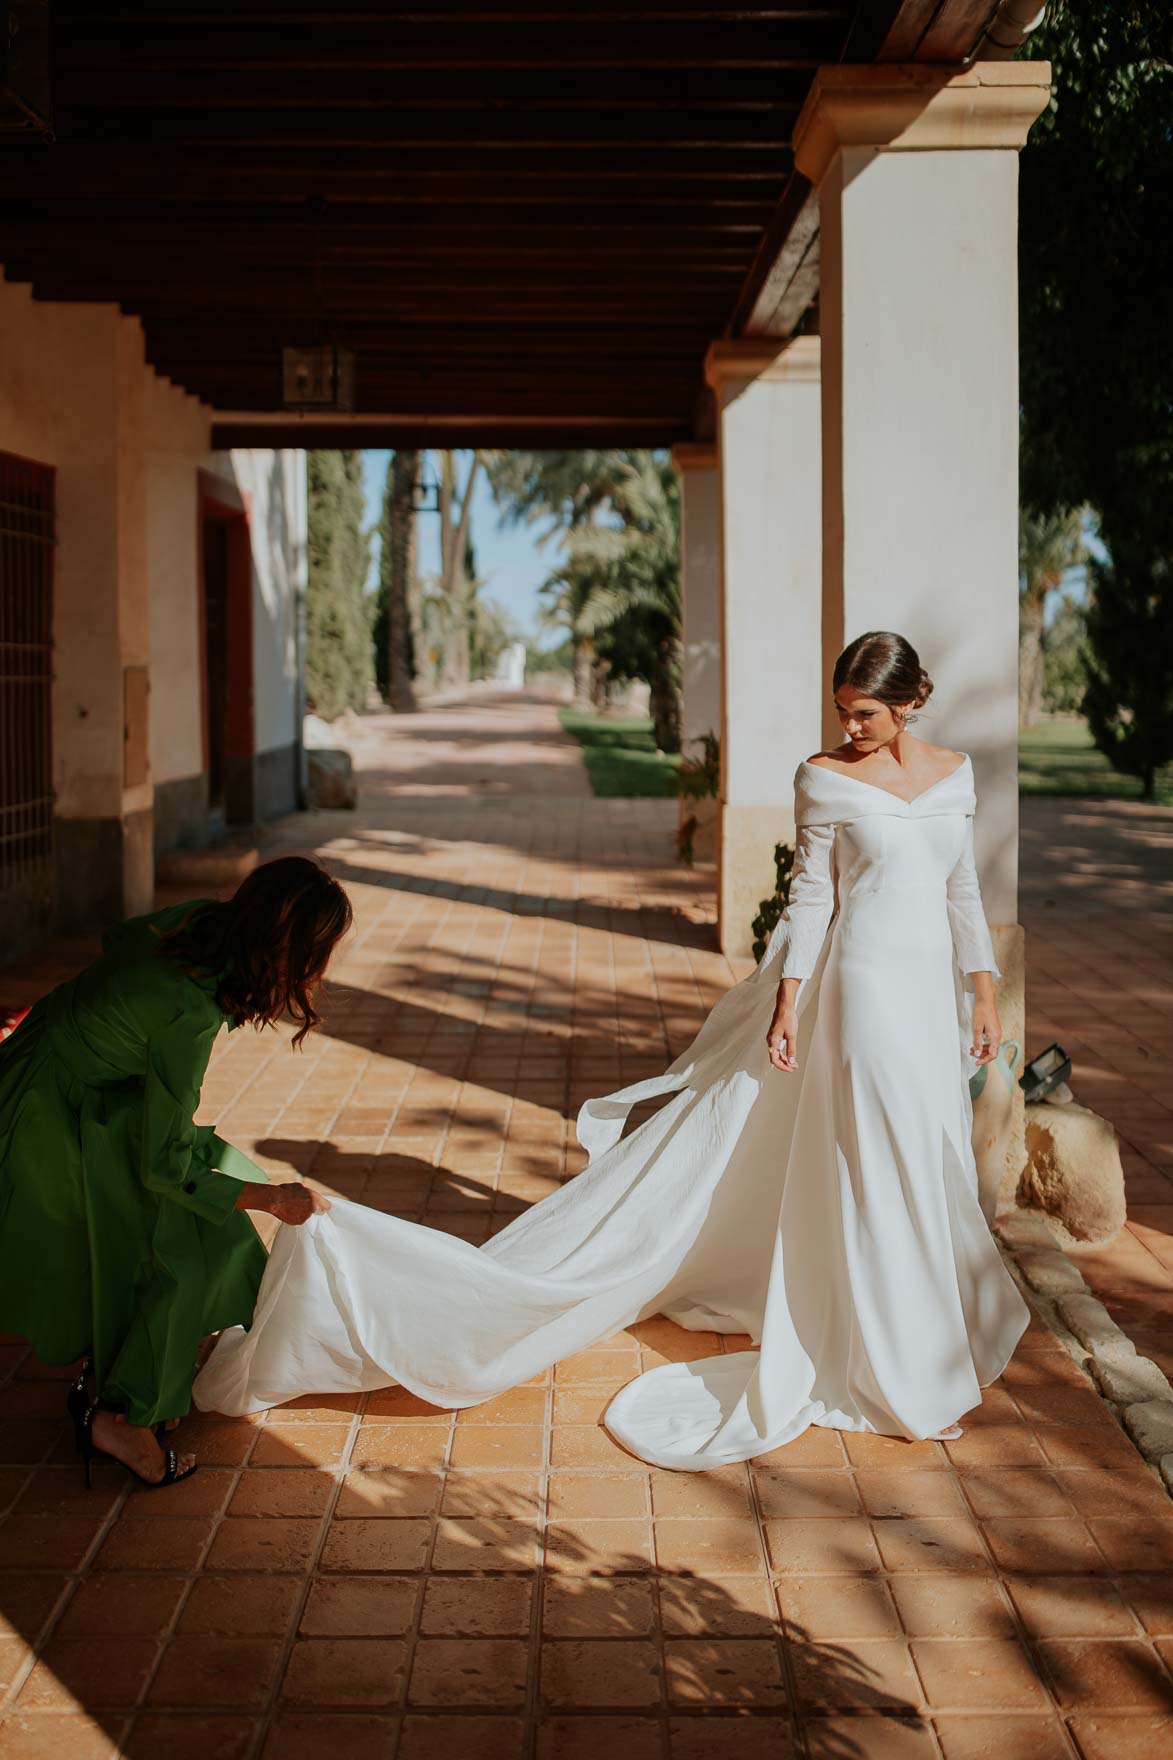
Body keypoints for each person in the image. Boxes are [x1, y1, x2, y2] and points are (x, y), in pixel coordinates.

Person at [194, 634, 1028, 1472]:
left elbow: (961, 888)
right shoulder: (824, 777)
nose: (848, 726)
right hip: (859, 999)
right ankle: (894, 1366)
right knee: (872, 1165)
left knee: (927, 1153)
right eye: (841, 710)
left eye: (867, 713)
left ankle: (929, 1336)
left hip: (929, 1000)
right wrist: (787, 1001)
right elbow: (809, 897)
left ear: (912, 700)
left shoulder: (953, 775)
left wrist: (981, 992)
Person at [0, 856, 349, 1487]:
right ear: (293, 952)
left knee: (183, 1230)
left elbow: (121, 941)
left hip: (66, 1069)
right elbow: (167, 1168)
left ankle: (119, 1383)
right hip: (54, 1106)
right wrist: (271, 1199)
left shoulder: (200, 923)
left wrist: (111, 1034)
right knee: (173, 1249)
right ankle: (120, 1419)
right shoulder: (188, 1015)